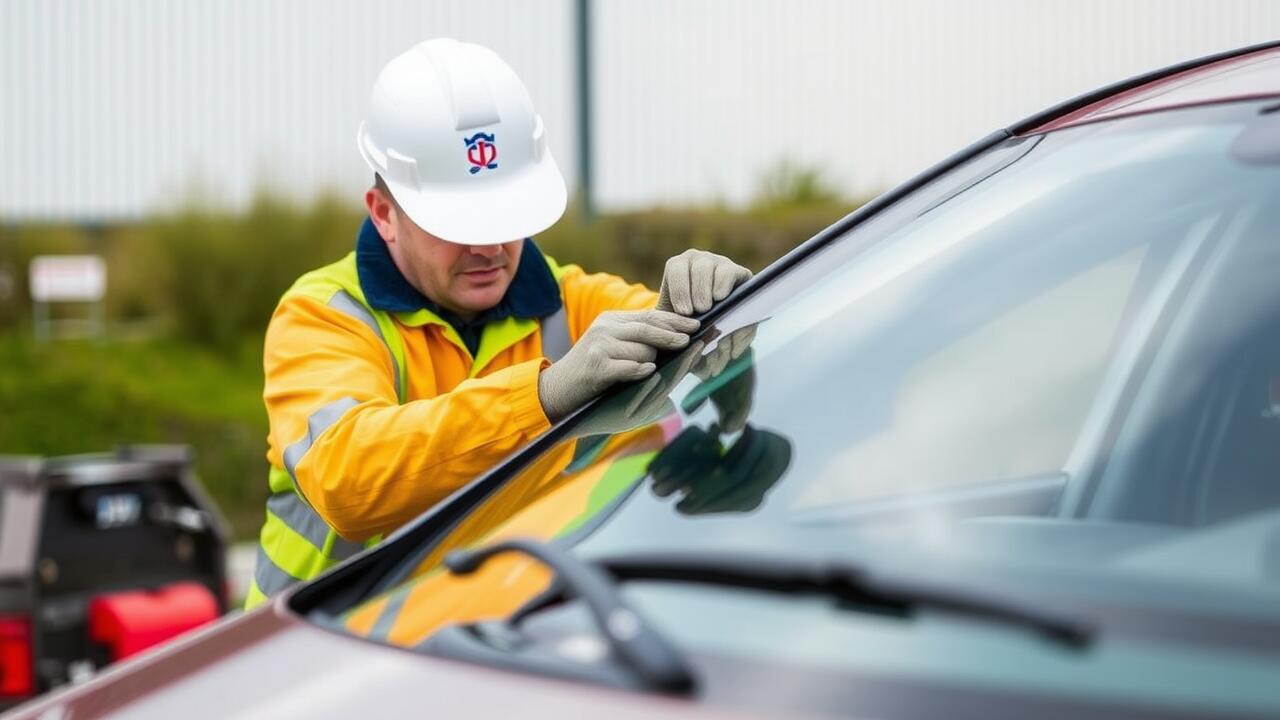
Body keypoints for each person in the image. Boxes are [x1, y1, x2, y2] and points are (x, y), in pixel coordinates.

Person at [245, 38, 752, 608]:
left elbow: (694, 350)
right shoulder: (323, 316)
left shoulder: (571, 301)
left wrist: (725, 316)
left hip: (489, 650)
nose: (488, 246)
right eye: (457, 222)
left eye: (505, 214)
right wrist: (545, 396)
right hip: (312, 659)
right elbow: (349, 480)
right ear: (385, 214)